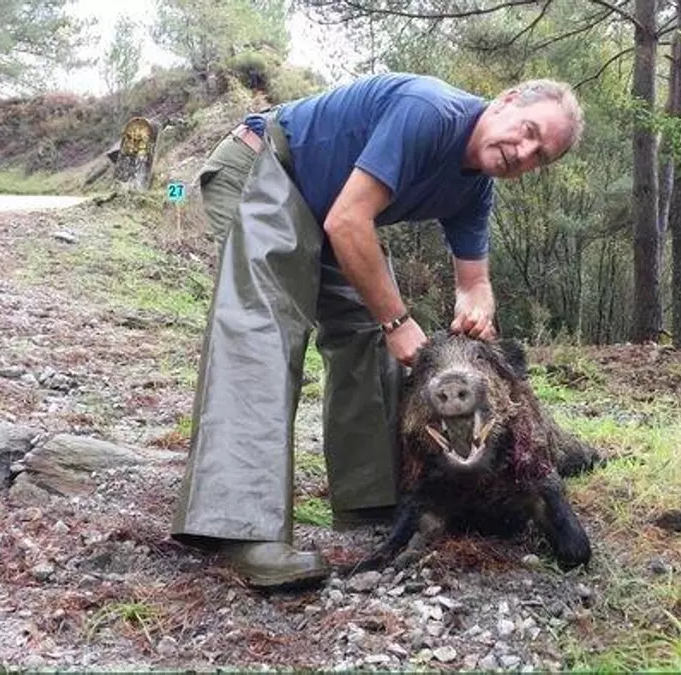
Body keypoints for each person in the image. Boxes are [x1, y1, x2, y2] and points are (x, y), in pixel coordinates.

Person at [170, 71, 584, 589]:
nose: (522, 153)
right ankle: (239, 525)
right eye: (528, 131)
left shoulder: (475, 189)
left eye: (539, 156)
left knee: (365, 332)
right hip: (263, 168)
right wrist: (397, 321)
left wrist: (476, 309)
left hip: (323, 207)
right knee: (264, 327)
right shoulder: (430, 112)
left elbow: (474, 281)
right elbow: (348, 223)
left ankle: (371, 499)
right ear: (506, 101)